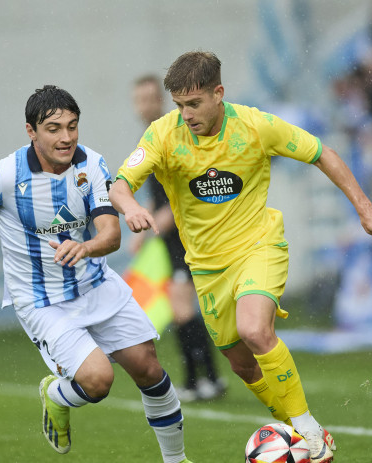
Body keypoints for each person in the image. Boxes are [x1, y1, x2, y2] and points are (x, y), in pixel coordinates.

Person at [109, 51, 372, 463]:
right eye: (179, 105)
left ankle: (308, 431)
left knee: (255, 329)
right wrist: (131, 207)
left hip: (257, 247)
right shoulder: (162, 133)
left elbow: (321, 152)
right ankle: (303, 437)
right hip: (207, 268)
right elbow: (120, 183)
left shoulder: (256, 125)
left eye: (194, 104)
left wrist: (366, 209)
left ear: (219, 93)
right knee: (243, 366)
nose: (186, 114)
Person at [0, 85, 192, 463]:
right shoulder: (6, 175)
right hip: (41, 300)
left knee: (150, 369)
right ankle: (55, 396)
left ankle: (177, 461)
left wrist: (86, 247)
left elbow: (110, 234)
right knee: (98, 381)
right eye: (54, 128)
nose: (66, 137)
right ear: (31, 131)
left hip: (95, 284)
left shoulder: (91, 165)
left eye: (72, 126)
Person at [131, 74, 226, 402]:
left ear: (160, 99)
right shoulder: (153, 136)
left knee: (183, 309)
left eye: (149, 98)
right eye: (139, 99)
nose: (145, 105)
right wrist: (146, 219)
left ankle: (197, 381)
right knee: (185, 309)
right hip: (172, 239)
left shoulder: (174, 134)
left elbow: (180, 196)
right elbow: (158, 194)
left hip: (185, 237)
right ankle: (210, 379)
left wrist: (151, 225)